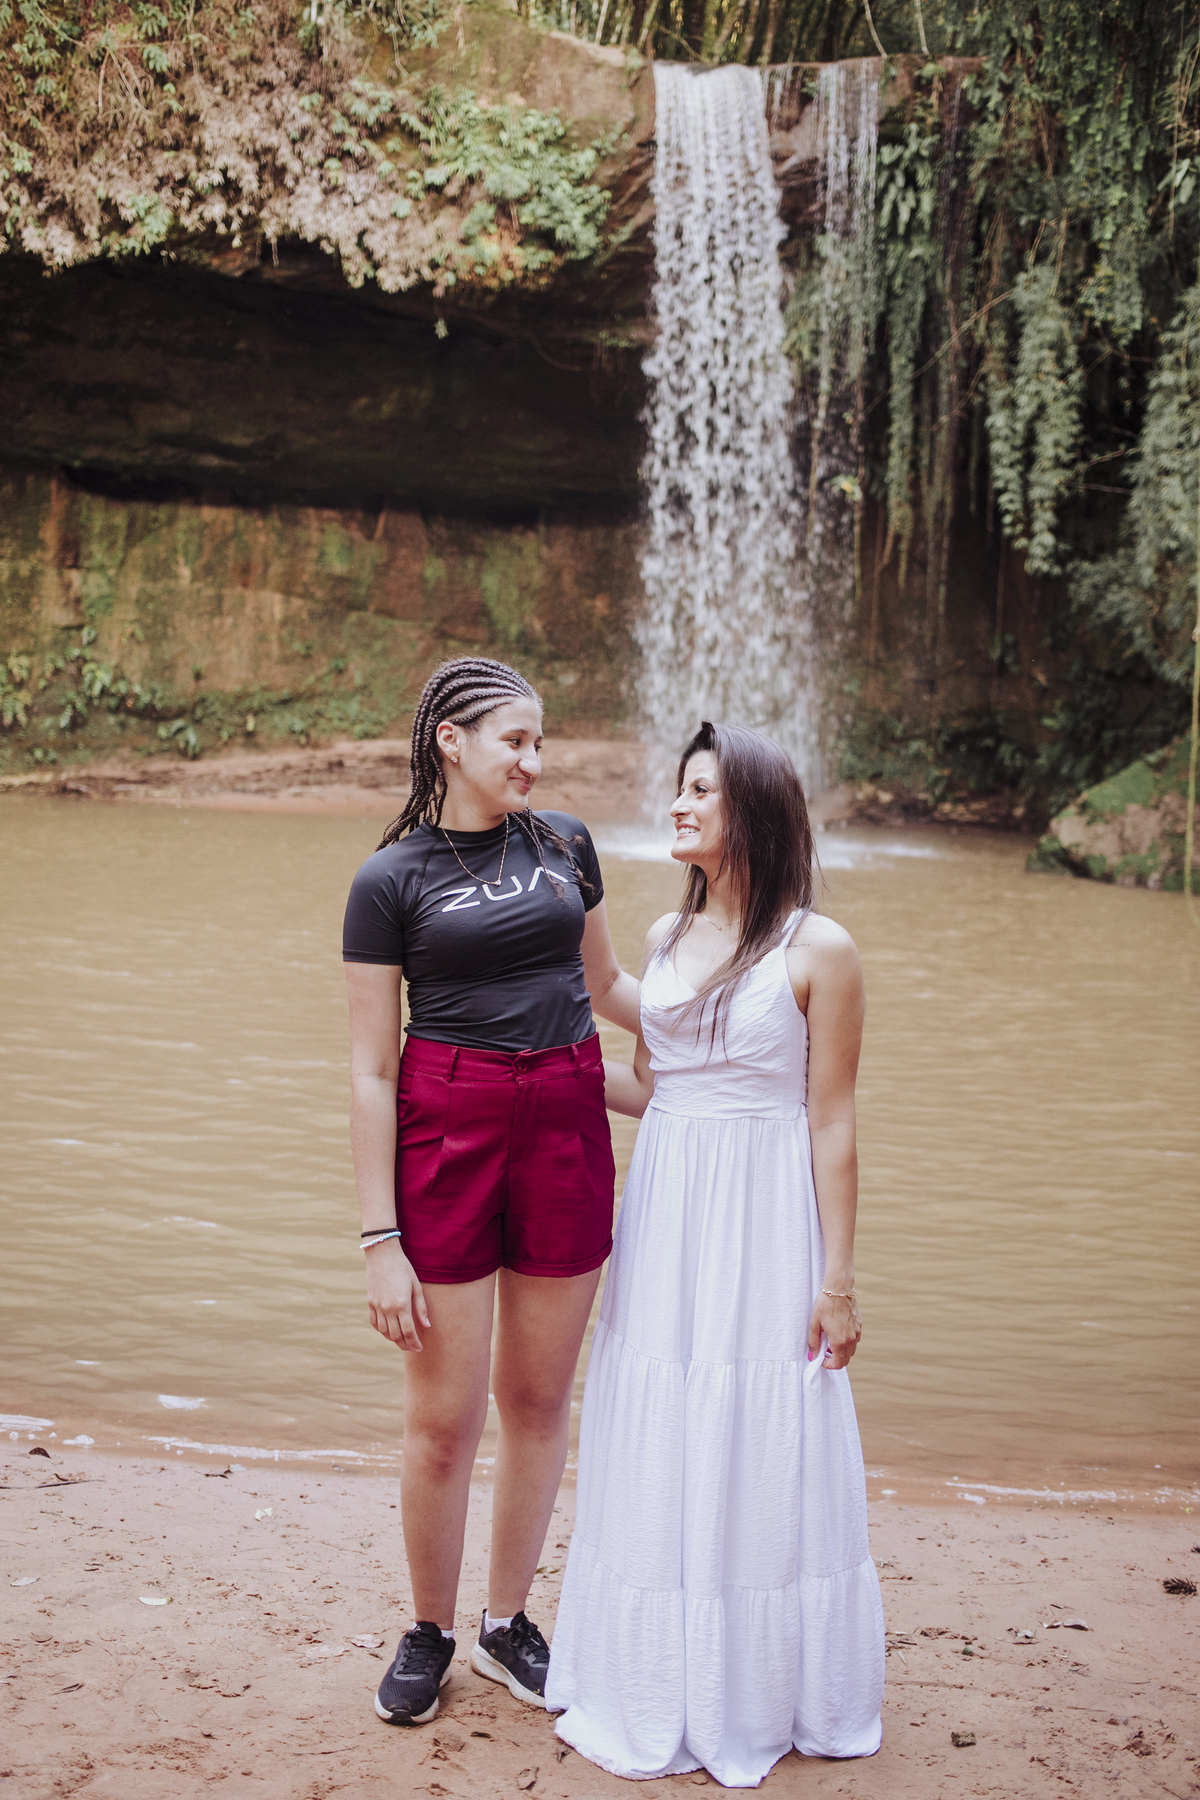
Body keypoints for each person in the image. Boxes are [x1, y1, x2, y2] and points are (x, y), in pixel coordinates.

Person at [545, 721, 886, 1787]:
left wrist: (837, 1279)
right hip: (669, 1212)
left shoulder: (820, 951)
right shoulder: (663, 936)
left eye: (703, 790)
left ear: (757, 811)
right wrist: (543, 1070)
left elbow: (833, 1122)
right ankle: (653, 1678)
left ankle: (757, 1686)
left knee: (759, 1421)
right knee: (663, 1412)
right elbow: (654, 1087)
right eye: (680, 787)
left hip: (765, 1218)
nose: (680, 804)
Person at [342, 657, 639, 1729]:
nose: (534, 761)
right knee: (443, 1418)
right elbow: (372, 1071)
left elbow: (606, 990)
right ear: (450, 741)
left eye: (540, 742)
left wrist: (727, 1037)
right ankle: (429, 1629)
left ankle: (508, 1623)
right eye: (515, 739)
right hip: (446, 1137)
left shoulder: (566, 844)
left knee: (538, 1402)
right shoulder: (390, 879)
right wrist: (380, 1238)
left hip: (565, 1124)